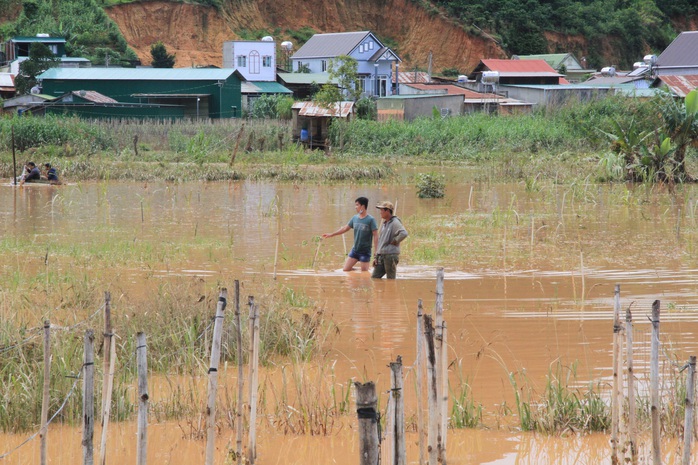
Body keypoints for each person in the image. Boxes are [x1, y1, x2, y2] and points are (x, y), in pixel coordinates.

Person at [322, 197, 378, 272]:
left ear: (363, 206)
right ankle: (363, 269)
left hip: (365, 252)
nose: (356, 207)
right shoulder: (354, 218)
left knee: (364, 273)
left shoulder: (371, 220)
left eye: (357, 205)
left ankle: (366, 268)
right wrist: (332, 234)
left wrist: (376, 252)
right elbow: (345, 228)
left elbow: (376, 235)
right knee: (345, 270)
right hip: (355, 250)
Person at [372, 201, 408, 279]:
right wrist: (376, 257)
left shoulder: (395, 222)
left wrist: (395, 241)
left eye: (382, 210)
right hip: (381, 256)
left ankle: (391, 291)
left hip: (390, 256)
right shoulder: (385, 224)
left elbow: (404, 233)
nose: (380, 212)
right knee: (374, 278)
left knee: (390, 280)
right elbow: (381, 241)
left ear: (387, 211)